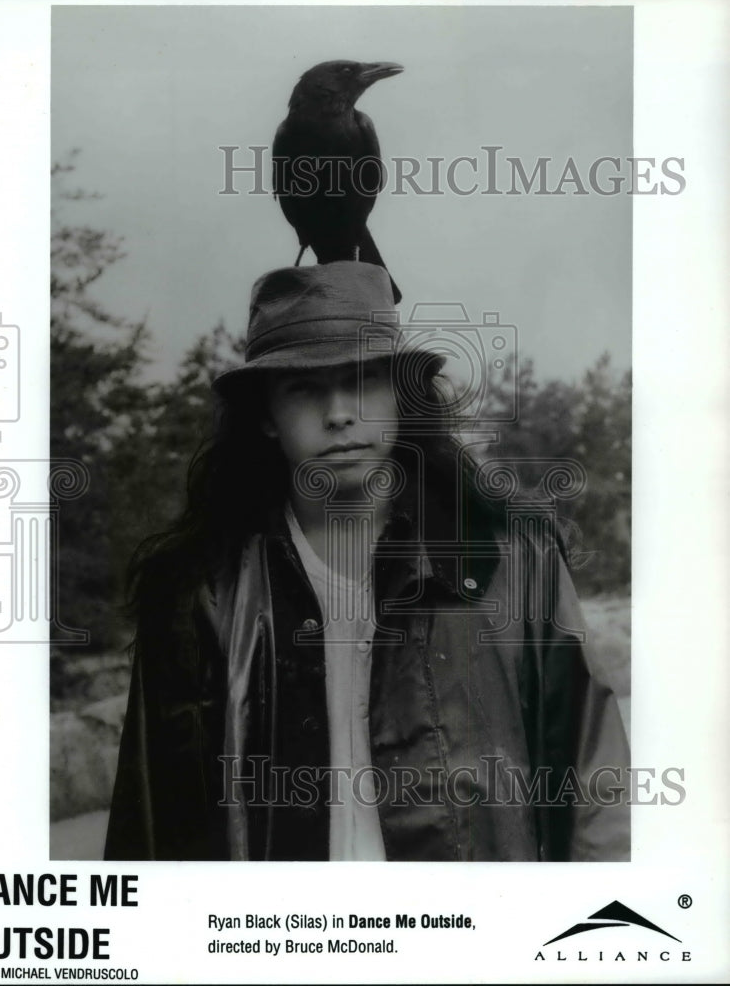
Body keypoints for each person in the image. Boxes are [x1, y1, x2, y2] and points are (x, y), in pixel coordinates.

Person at [104, 261, 630, 862]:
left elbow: (592, 777)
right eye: (303, 387)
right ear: (265, 418)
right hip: (277, 941)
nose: (338, 412)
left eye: (361, 379)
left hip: (467, 942)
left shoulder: (510, 561)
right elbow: (151, 820)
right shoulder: (203, 589)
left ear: (401, 396)